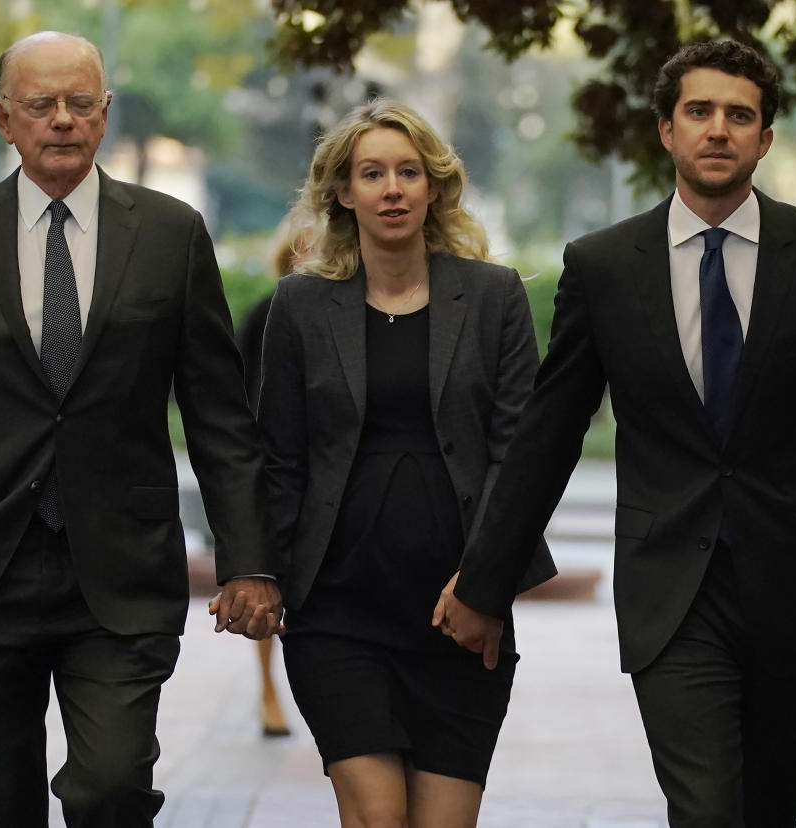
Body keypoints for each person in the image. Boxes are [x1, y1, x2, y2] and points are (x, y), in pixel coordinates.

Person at [436, 40, 796, 826]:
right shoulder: (603, 266)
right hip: (671, 592)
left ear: (765, 140)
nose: (718, 130)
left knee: (770, 807)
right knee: (704, 810)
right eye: (699, 111)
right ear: (666, 130)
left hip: (792, 591)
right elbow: (549, 432)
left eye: (740, 116)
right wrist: (485, 580)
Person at [0, 30, 281, 827]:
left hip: (120, 574)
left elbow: (220, 415)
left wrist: (249, 560)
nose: (61, 119)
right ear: (3, 118)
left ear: (105, 114)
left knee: (110, 789)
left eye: (80, 103)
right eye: (41, 104)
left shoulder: (169, 233)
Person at [256, 99, 555, 826]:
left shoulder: (494, 298)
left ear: (433, 186)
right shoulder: (299, 306)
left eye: (408, 172)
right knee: (378, 819)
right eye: (372, 173)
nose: (392, 188)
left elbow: (521, 457)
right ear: (342, 192)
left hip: (462, 617)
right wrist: (261, 571)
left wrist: (483, 589)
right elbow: (277, 458)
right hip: (337, 612)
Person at [236, 226, 312, 738]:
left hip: (322, 466)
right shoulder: (264, 312)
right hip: (272, 464)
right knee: (269, 584)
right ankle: (267, 688)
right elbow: (239, 391)